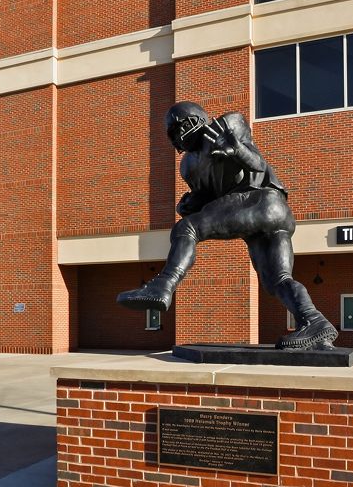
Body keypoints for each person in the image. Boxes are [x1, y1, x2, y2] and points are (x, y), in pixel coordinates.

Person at [117, 101, 337, 350]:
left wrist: (238, 150)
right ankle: (313, 321)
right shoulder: (188, 166)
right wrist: (192, 202)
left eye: (175, 130)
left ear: (192, 122)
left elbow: (258, 166)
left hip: (261, 200)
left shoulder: (227, 125)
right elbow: (213, 199)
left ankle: (163, 284)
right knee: (277, 280)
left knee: (187, 229)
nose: (175, 139)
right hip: (270, 216)